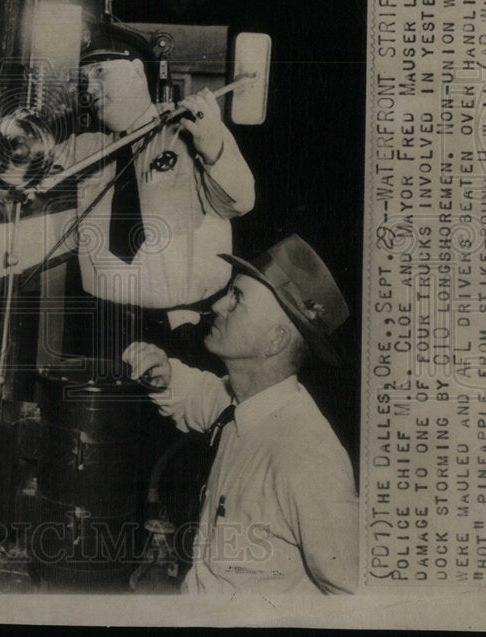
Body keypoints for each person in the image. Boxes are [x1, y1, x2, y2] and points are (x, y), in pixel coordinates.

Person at [123, 234, 358, 595]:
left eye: (238, 300)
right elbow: (203, 395)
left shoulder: (308, 458)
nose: (218, 305)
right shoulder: (245, 406)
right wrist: (164, 374)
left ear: (275, 341)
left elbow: (353, 596)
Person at [65, 23, 255, 358]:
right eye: (84, 77)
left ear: (137, 71)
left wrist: (213, 149)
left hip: (180, 332)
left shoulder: (192, 129)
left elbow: (239, 203)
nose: (88, 87)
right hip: (100, 326)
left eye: (99, 72)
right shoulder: (84, 147)